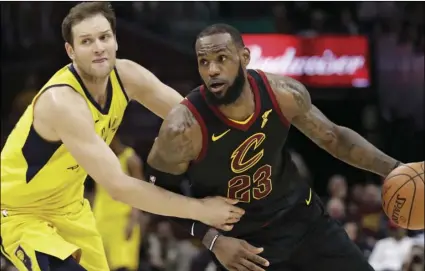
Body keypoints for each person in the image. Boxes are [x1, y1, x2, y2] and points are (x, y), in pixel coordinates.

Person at [145, 23, 410, 271]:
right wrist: (212, 240)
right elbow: (155, 191)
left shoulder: (282, 93)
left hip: (304, 221)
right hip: (245, 247)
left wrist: (396, 169)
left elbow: (334, 138)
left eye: (221, 58)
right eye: (204, 62)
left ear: (244, 57)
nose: (212, 69)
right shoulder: (183, 128)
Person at [0, 5, 244, 271]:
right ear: (71, 51)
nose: (98, 47)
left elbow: (194, 119)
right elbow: (119, 187)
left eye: (104, 37)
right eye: (86, 41)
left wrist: (248, 142)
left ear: (115, 40)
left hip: (70, 209)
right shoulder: (63, 102)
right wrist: (202, 210)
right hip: (20, 213)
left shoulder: (127, 75)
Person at [92, 136, 144, 271]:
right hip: (100, 219)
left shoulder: (130, 159)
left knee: (122, 266)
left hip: (122, 221)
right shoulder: (98, 160)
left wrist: (134, 219)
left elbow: (141, 193)